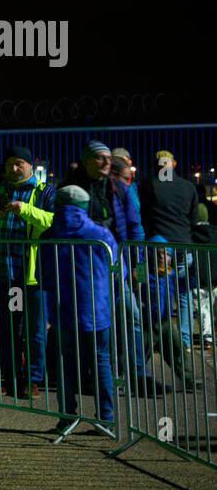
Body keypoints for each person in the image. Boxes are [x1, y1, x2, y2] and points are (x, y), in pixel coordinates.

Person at [62, 141, 154, 394]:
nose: (106, 163)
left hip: (115, 266)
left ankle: (137, 373)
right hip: (82, 268)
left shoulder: (118, 189)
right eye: (99, 158)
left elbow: (134, 226)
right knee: (88, 324)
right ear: (86, 160)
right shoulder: (71, 189)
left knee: (131, 315)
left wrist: (138, 263)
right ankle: (91, 376)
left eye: (107, 158)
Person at [0, 145, 56, 398]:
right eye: (9, 165)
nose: (14, 169)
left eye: (19, 164)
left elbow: (51, 222)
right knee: (2, 327)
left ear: (31, 165)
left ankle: (32, 379)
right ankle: (5, 376)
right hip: (1, 274)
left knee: (34, 330)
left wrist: (24, 209)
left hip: (31, 275)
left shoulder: (46, 191)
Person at [40, 185, 117, 435]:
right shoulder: (100, 234)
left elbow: (43, 274)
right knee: (101, 361)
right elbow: (117, 270)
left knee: (65, 363)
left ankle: (66, 416)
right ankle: (105, 418)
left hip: (63, 309)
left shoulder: (49, 235)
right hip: (96, 307)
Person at [138, 150, 201, 350]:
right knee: (184, 294)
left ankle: (160, 338)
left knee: (160, 294)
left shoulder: (149, 185)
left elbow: (143, 215)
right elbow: (193, 219)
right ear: (173, 164)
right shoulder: (188, 186)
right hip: (184, 245)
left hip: (160, 246)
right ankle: (184, 340)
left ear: (156, 165)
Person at [140, 236, 196, 389]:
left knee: (178, 350)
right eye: (158, 253)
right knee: (139, 354)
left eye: (166, 254)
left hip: (165, 322)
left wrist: (193, 271)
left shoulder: (171, 274)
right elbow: (135, 286)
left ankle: (188, 379)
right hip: (146, 322)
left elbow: (185, 286)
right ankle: (124, 379)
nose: (162, 257)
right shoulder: (143, 271)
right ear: (150, 254)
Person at [193, 203, 217, 349]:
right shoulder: (215, 232)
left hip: (198, 277)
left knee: (203, 308)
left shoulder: (191, 234)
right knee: (214, 307)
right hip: (216, 277)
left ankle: (207, 337)